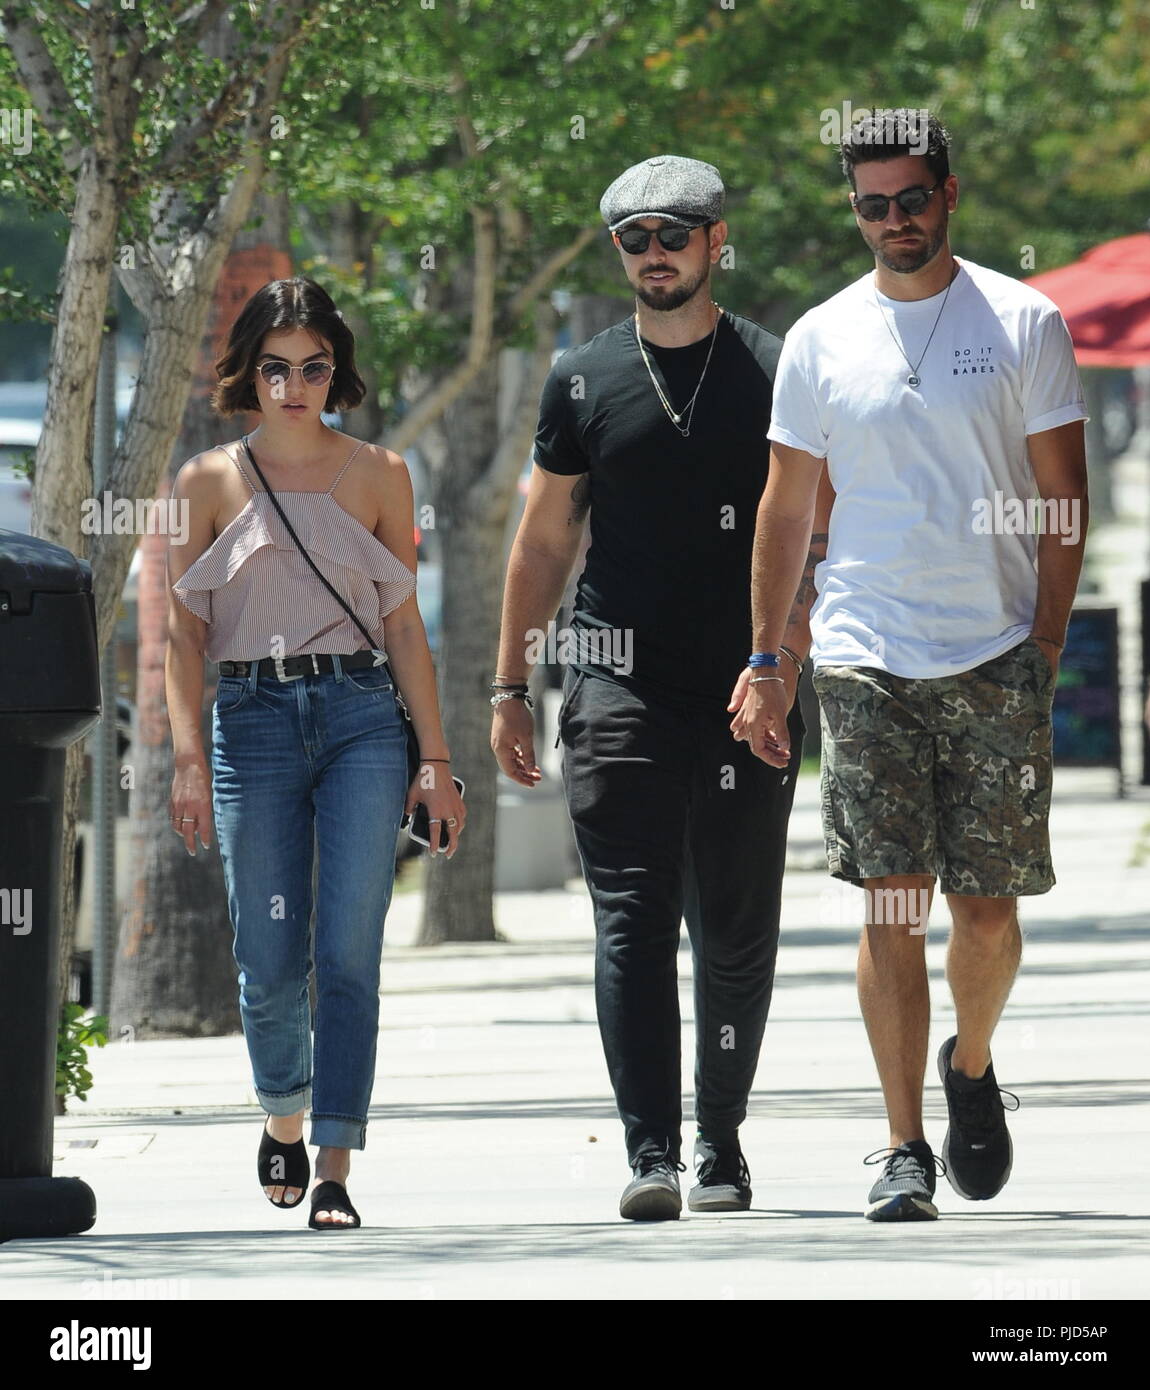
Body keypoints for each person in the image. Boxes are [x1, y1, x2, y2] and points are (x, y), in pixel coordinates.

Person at [733, 110, 1088, 1221]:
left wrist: (1040, 644)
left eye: (909, 200)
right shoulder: (817, 339)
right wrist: (770, 659)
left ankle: (968, 1065)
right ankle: (900, 1147)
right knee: (891, 906)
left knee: (984, 914)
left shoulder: (1022, 319)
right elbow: (788, 510)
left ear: (946, 193)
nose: (892, 222)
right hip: (863, 655)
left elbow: (1060, 503)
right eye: (871, 205)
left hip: (992, 652)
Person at [492, 156, 825, 1220]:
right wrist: (509, 682)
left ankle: (718, 1137)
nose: (653, 254)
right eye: (633, 239)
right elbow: (542, 540)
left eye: (672, 235)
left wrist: (780, 662)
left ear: (715, 240)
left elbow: (820, 539)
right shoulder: (581, 376)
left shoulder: (777, 369)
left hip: (748, 682)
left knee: (732, 927)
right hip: (615, 681)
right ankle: (650, 1153)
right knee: (631, 915)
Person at [166, 277, 465, 1229]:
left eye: (315, 367)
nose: (295, 386)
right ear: (248, 374)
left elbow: (405, 627)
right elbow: (180, 638)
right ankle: (284, 1119)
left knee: (348, 948)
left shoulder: (382, 471)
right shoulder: (205, 481)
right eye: (276, 368)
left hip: (361, 718)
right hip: (249, 720)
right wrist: (181, 761)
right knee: (265, 954)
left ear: (337, 372)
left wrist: (438, 760)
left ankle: (333, 1161)